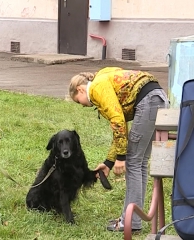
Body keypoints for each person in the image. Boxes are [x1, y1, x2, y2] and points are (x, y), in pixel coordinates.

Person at [68, 67, 169, 232]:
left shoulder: (96, 88)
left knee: (134, 163)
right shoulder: (103, 77)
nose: (82, 105)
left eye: (78, 101)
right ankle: (132, 219)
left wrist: (122, 157)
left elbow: (118, 121)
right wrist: (108, 162)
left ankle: (130, 222)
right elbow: (121, 128)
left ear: (80, 89)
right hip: (157, 98)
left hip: (148, 101)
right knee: (140, 163)